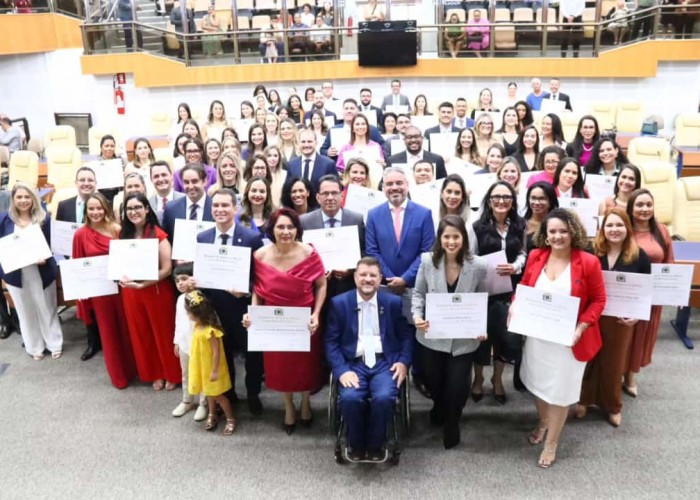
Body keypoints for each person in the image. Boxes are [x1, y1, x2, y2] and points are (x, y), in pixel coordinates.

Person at [515, 208, 606, 468]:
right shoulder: (536, 256)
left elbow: (599, 300)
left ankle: (552, 442)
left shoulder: (588, 262)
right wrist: (514, 304)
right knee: (538, 383)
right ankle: (543, 422)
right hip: (538, 337)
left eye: (563, 231)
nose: (558, 236)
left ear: (573, 232)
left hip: (570, 342)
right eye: (552, 231)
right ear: (545, 234)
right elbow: (524, 288)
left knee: (560, 392)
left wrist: (582, 326)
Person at [244, 208, 327, 434]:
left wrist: (316, 314)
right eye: (281, 227)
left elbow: (321, 284)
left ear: (297, 229)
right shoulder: (260, 255)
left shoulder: (309, 252)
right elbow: (258, 291)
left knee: (305, 366)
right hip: (274, 321)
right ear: (272, 229)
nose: (286, 231)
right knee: (281, 367)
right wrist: (254, 313)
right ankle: (288, 406)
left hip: (304, 319)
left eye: (290, 227)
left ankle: (306, 403)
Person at [325, 256, 412, 460]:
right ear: (355, 277)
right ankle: (356, 443)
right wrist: (341, 370)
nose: (367, 279)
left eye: (373, 275)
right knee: (350, 398)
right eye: (363, 274)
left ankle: (375, 445)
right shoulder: (339, 304)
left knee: (383, 398)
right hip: (353, 363)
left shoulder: (392, 302)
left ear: (380, 278)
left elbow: (406, 336)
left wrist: (403, 362)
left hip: (385, 362)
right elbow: (331, 342)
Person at [412, 216, 488, 449]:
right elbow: (417, 294)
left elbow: (481, 299)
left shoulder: (478, 265)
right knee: (434, 383)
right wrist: (417, 317)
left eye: (456, 236)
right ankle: (439, 406)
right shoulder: (427, 261)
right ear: (440, 239)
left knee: (456, 386)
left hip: (464, 340)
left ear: (464, 238)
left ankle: (453, 421)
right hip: (433, 336)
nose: (451, 241)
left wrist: (480, 326)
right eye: (447, 236)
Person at [577, 208, 651, 427]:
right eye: (609, 225)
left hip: (620, 319)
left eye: (619, 225)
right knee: (588, 358)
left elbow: (645, 291)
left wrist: (636, 316)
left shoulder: (639, 255)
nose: (614, 230)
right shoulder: (591, 250)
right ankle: (584, 399)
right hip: (592, 314)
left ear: (627, 228)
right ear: (602, 228)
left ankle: (612, 405)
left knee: (613, 362)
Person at [366, 167, 435, 397]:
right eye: (389, 184)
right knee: (388, 330)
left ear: (407, 185)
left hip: (414, 286)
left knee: (415, 331)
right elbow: (372, 250)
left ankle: (419, 375)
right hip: (384, 286)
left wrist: (404, 279)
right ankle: (391, 370)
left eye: (399, 183)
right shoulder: (374, 214)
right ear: (383, 188)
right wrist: (389, 278)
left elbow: (427, 251)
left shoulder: (423, 213)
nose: (394, 187)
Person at [195, 189, 264, 413]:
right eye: (216, 206)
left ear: (235, 209)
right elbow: (203, 278)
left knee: (252, 354)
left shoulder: (252, 238)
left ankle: (253, 394)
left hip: (243, 309)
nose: (220, 210)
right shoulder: (203, 238)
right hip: (215, 309)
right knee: (222, 354)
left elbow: (261, 279)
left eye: (225, 206)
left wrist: (246, 291)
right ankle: (230, 391)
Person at [72, 192, 137, 388]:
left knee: (127, 330)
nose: (95, 212)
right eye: (91, 208)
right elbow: (78, 265)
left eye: (99, 208)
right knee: (108, 334)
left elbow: (129, 259)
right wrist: (83, 297)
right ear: (86, 211)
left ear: (106, 209)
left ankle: (135, 369)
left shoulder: (117, 230)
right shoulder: (80, 234)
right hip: (100, 293)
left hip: (122, 290)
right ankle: (119, 377)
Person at [471, 181, 527, 404]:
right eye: (496, 197)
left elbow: (523, 252)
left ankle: (496, 379)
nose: (501, 201)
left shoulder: (519, 226)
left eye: (506, 197)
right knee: (481, 338)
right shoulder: (477, 226)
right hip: (483, 291)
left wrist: (516, 265)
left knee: (502, 338)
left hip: (508, 290)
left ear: (512, 201)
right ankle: (478, 379)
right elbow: (470, 255)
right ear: (489, 200)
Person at [119, 193, 180, 390]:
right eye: (129, 209)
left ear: (147, 209)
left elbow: (167, 269)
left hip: (156, 291)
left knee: (163, 333)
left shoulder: (159, 235)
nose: (134, 212)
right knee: (142, 334)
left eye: (138, 207)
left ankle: (171, 372)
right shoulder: (123, 236)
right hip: (132, 293)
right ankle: (154, 372)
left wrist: (143, 284)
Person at [0, 183, 62, 360]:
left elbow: (52, 246)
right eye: (19, 197)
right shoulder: (3, 219)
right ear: (13, 199)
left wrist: (45, 257)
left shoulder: (44, 218)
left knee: (47, 308)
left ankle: (54, 342)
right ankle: (35, 347)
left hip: (41, 271)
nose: (23, 200)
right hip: (15, 273)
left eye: (27, 197)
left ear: (33, 199)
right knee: (25, 311)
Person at [624, 188, 674, 397]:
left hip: (653, 295)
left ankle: (631, 376)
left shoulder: (661, 230)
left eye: (648, 205)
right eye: (639, 205)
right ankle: (618, 370)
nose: (645, 209)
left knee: (643, 336)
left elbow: (669, 262)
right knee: (625, 335)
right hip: (628, 293)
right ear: (631, 207)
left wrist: (675, 292)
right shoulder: (624, 229)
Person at [56, 167, 104, 361]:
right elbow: (59, 237)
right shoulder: (64, 205)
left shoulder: (103, 204)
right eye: (82, 179)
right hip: (75, 261)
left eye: (90, 180)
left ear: (96, 183)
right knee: (85, 304)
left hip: (99, 262)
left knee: (102, 305)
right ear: (76, 183)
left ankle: (106, 340)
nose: (86, 183)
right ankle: (92, 342)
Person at [301, 175, 366, 298]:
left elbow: (364, 251)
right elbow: (300, 255)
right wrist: (317, 272)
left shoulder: (356, 219)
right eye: (325, 193)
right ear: (318, 197)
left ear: (342, 196)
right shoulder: (305, 222)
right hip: (315, 289)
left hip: (348, 287)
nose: (330, 198)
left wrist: (350, 269)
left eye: (334, 193)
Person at [184, 290, 236, 435]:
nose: (187, 315)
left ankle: (230, 418)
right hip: (202, 366)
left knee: (218, 395)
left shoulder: (211, 331)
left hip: (212, 368)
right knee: (209, 393)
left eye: (189, 312)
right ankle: (212, 414)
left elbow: (217, 352)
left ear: (198, 313)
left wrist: (214, 371)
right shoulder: (197, 327)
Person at [170, 263, 207, 420]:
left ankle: (203, 403)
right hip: (184, 343)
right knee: (186, 373)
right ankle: (187, 400)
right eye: (177, 281)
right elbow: (178, 321)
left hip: (200, 344)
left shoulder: (200, 298)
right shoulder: (179, 300)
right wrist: (176, 341)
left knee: (203, 374)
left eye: (184, 279)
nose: (180, 283)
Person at [162, 164, 215, 244]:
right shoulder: (171, 209)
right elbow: (167, 240)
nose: (190, 186)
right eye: (186, 182)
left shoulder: (216, 207)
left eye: (194, 181)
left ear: (204, 181)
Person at [320, 98, 386, 161]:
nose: (349, 111)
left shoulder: (371, 129)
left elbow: (383, 147)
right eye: (346, 108)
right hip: (339, 168)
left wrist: (380, 158)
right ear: (342, 112)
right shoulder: (333, 130)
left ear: (358, 111)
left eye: (352, 108)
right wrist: (328, 152)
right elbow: (322, 150)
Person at [288, 128, 338, 197]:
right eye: (303, 142)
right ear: (298, 143)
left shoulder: (328, 164)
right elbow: (288, 189)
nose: (306, 145)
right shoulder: (292, 165)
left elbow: (337, 189)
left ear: (316, 142)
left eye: (309, 141)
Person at [524, 181, 559, 251]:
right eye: (533, 198)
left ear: (551, 201)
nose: (537, 202)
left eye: (542, 198)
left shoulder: (558, 225)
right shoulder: (520, 223)